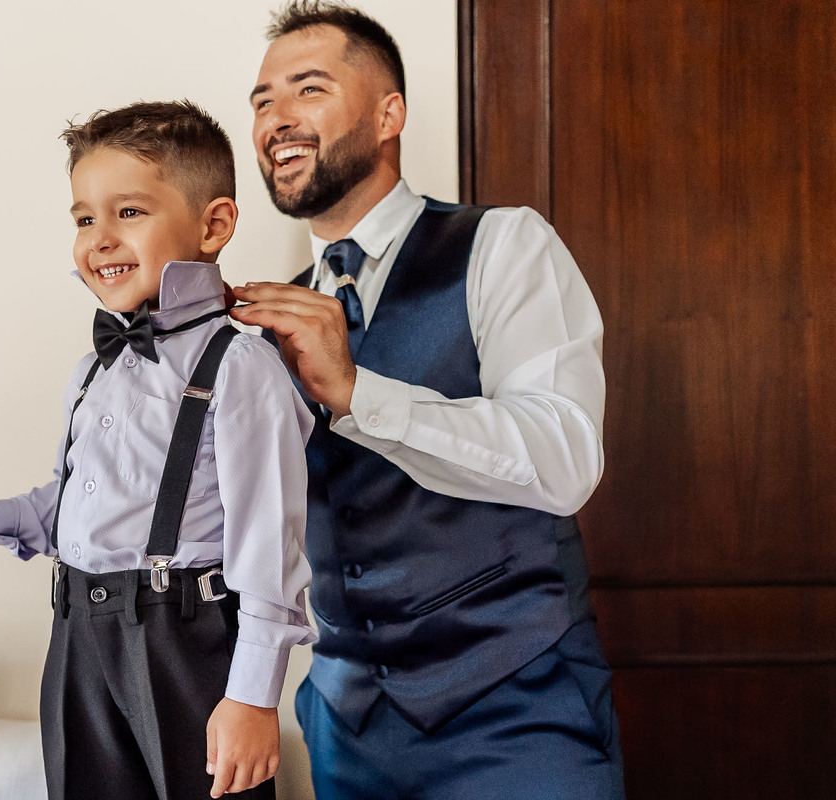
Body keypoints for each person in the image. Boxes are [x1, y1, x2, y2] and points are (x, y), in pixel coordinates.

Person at [229, 3, 625, 798]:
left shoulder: (505, 245)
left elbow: (566, 459)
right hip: (344, 727)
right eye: (263, 101)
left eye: (308, 89)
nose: (276, 118)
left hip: (518, 713)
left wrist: (357, 394)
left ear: (390, 115)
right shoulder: (263, 320)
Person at [0, 100, 315, 800]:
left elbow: (270, 545)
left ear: (214, 225)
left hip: (182, 642)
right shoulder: (93, 372)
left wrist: (253, 697)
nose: (100, 239)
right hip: (77, 636)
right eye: (84, 219)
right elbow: (68, 507)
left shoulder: (241, 368)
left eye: (128, 212)